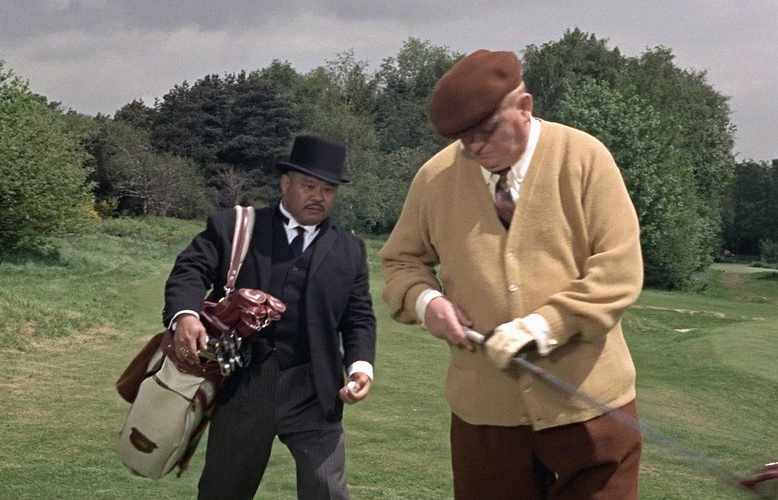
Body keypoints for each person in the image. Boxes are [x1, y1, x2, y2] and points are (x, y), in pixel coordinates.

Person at [379, 50, 644, 499]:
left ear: (524, 107)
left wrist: (543, 326)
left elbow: (618, 270)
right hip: (485, 417)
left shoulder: (584, 157)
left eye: (486, 131)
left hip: (589, 408)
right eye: (464, 139)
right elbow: (400, 262)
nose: (475, 148)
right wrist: (427, 303)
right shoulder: (434, 178)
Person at [163, 135, 377, 499]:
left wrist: (360, 367)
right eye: (309, 186)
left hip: (315, 388)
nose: (319, 197)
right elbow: (190, 270)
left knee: (327, 490)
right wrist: (185, 315)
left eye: (328, 189)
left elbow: (358, 317)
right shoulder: (236, 228)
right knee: (224, 491)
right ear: (285, 183)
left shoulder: (350, 250)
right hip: (243, 385)